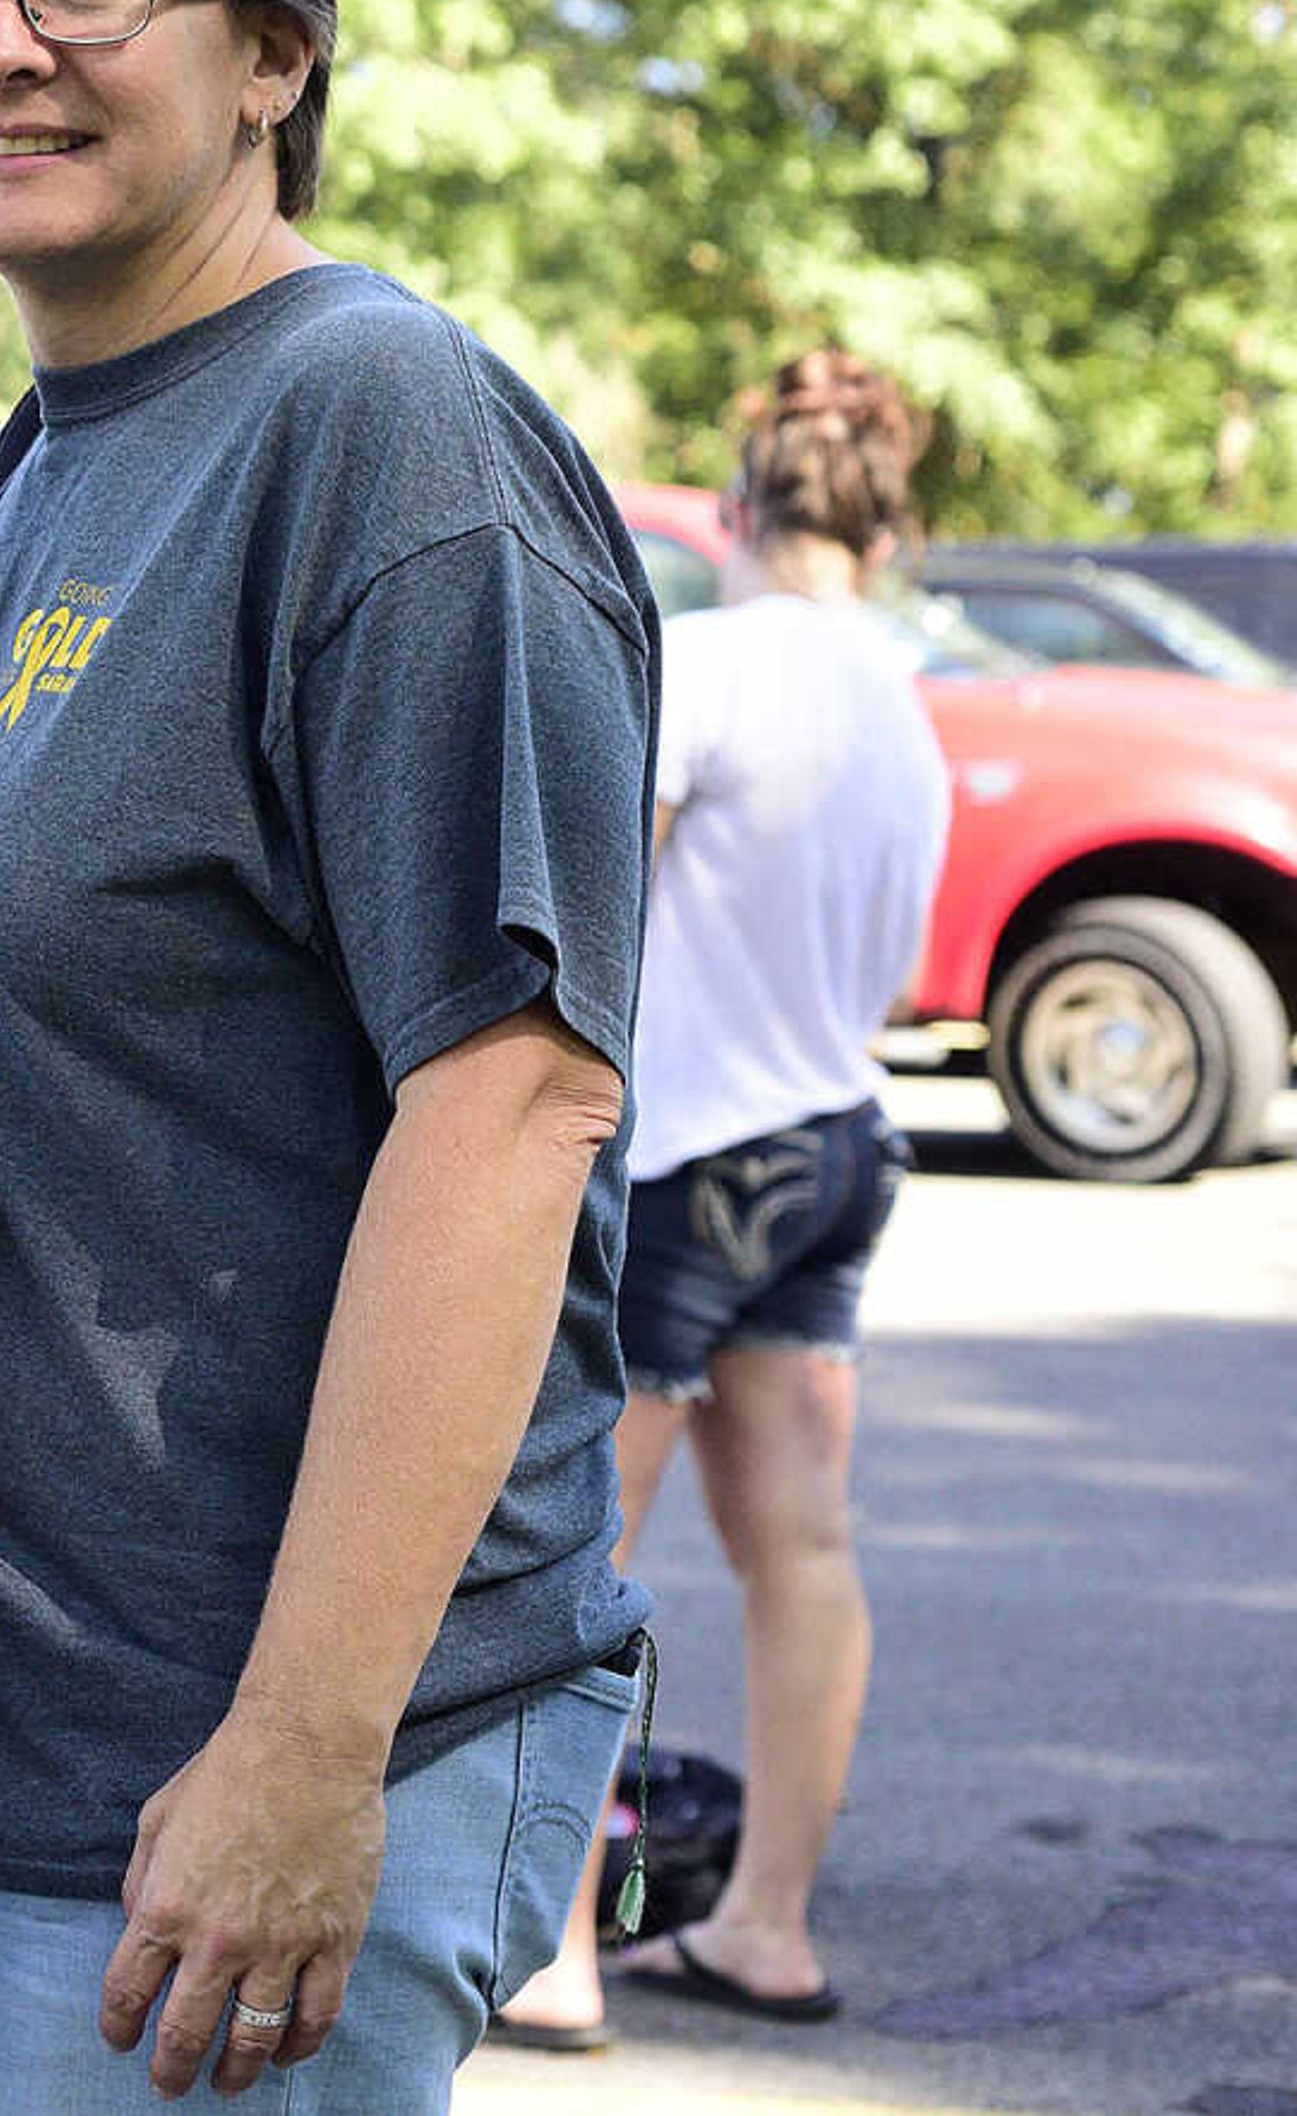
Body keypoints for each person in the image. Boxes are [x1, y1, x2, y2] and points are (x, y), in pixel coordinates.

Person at [0, 0, 659, 2107]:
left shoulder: (371, 430)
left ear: (269, 48)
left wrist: (305, 1746)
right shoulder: (35, 467)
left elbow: (503, 1107)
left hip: (237, 1800)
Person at [497, 350, 948, 2045]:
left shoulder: (711, 663)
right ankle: (765, 1922)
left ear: (741, 509)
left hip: (694, 1160)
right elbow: (897, 975)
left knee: (571, 1546)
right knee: (802, 1548)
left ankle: (552, 1947)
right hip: (842, 1144)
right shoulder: (904, 705)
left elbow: (597, 899)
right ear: (887, 539)